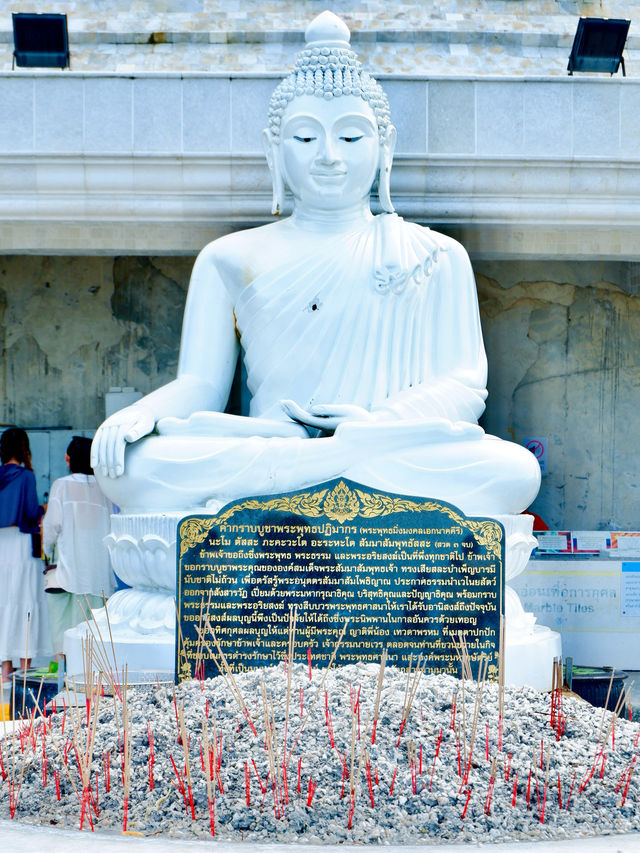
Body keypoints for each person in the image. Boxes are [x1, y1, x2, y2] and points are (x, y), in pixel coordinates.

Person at [91, 11, 540, 519]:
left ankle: (310, 475)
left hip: (377, 443)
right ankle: (327, 471)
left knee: (516, 469)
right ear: (273, 150)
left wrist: (370, 425)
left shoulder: (435, 255)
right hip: (278, 445)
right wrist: (141, 414)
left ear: (384, 147)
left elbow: (462, 384)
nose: (328, 156)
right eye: (305, 138)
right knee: (132, 465)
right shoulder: (229, 257)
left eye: (350, 138)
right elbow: (201, 387)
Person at [42, 437, 116, 660]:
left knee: (64, 630)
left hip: (68, 572)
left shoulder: (61, 485)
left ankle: (65, 678)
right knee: (94, 634)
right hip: (98, 575)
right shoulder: (105, 489)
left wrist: (46, 550)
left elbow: (52, 526)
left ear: (68, 458)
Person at [0, 427, 49, 683]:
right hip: (20, 544)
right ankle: (25, 666)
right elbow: (31, 512)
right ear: (23, 448)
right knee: (25, 600)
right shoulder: (26, 476)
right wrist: (44, 508)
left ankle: (5, 668)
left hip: (1, 546)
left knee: (5, 601)